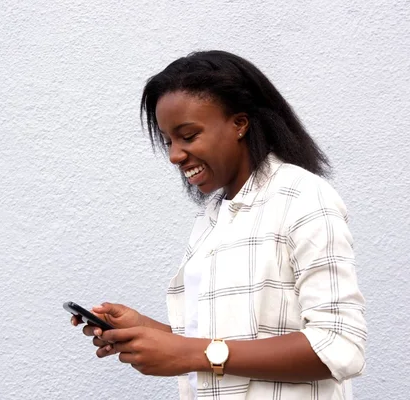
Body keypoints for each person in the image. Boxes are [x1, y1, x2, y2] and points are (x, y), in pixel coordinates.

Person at [70, 50, 366, 399]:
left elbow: (339, 344)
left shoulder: (303, 197)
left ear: (240, 123)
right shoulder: (214, 216)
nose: (174, 155)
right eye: (168, 141)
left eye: (188, 136)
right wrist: (147, 330)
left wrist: (188, 353)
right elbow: (226, 343)